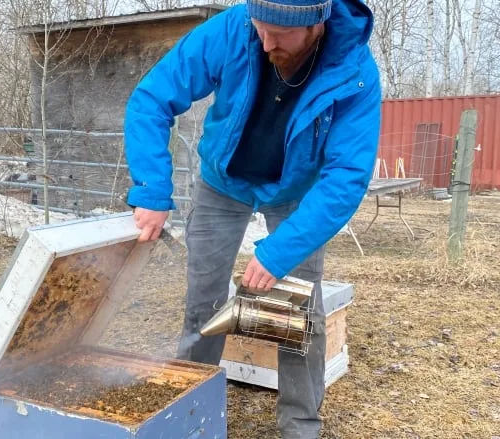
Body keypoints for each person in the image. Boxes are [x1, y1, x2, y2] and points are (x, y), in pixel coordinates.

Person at [123, 0, 381, 436]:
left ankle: (299, 425)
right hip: (222, 184)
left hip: (296, 191)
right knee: (202, 303)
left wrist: (279, 254)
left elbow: (346, 178)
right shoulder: (232, 29)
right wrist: (151, 189)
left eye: (279, 34)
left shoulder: (355, 72)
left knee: (298, 313)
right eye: (259, 29)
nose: (264, 43)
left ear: (315, 25)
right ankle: (189, 416)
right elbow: (151, 98)